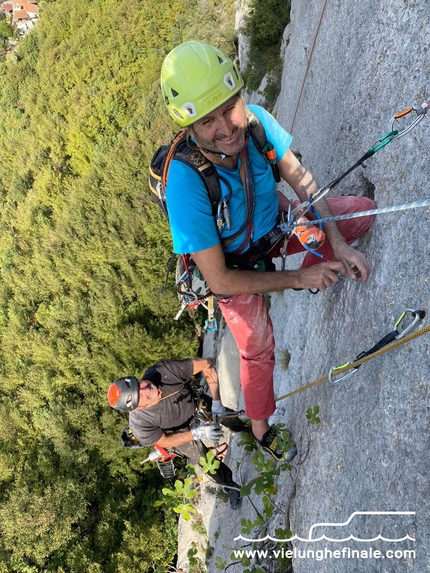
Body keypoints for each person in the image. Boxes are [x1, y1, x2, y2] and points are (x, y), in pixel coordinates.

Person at [160, 41, 375, 461]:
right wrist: (299, 277)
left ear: (240, 95)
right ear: (188, 129)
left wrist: (338, 243)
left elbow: (303, 181)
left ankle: (323, 263)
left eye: (230, 107)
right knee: (257, 348)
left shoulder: (255, 123)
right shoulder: (184, 184)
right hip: (234, 270)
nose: (227, 127)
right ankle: (261, 430)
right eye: (208, 121)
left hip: (275, 228)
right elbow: (219, 278)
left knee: (360, 213)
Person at [107, 357, 246, 510]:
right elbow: (165, 441)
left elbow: (208, 363)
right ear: (138, 407)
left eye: (139, 384)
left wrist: (217, 403)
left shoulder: (162, 372)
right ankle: (230, 486)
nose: (146, 389)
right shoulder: (140, 424)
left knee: (226, 415)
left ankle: (246, 429)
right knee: (202, 457)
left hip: (194, 404)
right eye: (141, 396)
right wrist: (196, 434)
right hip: (175, 431)